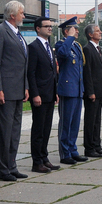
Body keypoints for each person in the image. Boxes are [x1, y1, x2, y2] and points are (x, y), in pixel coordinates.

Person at [0, 0, 30, 181]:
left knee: (14, 131)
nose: (24, 16)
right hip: (5, 90)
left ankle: (12, 166)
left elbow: (23, 64)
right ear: (12, 15)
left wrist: (26, 86)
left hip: (18, 89)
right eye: (22, 13)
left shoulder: (18, 34)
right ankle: (2, 169)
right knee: (4, 132)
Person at [27, 17, 59, 173]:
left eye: (51, 27)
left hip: (50, 94)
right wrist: (35, 94)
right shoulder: (33, 47)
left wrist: (56, 91)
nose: (50, 29)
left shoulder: (49, 46)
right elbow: (31, 73)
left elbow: (53, 72)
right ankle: (37, 162)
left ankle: (44, 158)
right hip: (39, 95)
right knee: (38, 129)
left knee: (46, 129)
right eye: (46, 26)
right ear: (38, 29)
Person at [54, 17, 85, 164]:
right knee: (66, 123)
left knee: (75, 123)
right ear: (67, 31)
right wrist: (70, 37)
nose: (77, 31)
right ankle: (65, 153)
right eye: (74, 29)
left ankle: (73, 149)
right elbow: (63, 54)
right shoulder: (61, 44)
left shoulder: (76, 46)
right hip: (67, 89)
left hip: (77, 89)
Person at [82, 24, 102, 158]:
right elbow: (87, 72)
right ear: (90, 34)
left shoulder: (99, 49)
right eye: (98, 31)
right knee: (90, 120)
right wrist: (90, 91)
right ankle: (89, 148)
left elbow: (101, 72)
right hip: (92, 91)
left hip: (100, 91)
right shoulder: (87, 49)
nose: (100, 33)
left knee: (97, 120)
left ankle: (97, 145)